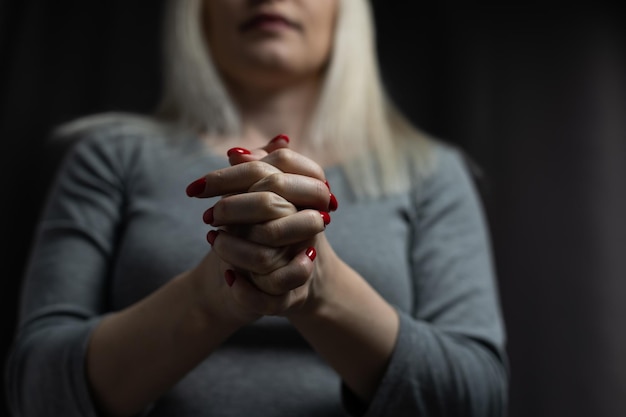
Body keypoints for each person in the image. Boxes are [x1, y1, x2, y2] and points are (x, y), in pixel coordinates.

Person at [6, 0, 508, 416]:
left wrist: (322, 287)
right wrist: (211, 295)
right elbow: (37, 392)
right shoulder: (109, 157)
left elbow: (477, 398)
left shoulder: (430, 172)